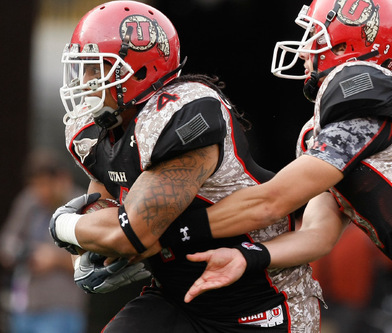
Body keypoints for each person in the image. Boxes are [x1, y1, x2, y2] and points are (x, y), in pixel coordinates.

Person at [177, 0, 392, 332]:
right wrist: (249, 256)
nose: (304, 49)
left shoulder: (360, 81)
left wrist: (176, 232)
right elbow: (317, 236)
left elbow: (272, 202)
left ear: (346, 41)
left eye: (313, 34)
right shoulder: (325, 133)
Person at [48, 1, 333, 332]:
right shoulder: (96, 129)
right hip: (177, 296)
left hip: (257, 300)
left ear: (139, 70)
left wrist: (61, 226)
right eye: (84, 68)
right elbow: (101, 211)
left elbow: (129, 233)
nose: (86, 81)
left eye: (97, 69)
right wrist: (85, 253)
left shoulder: (183, 115)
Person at [0, 149, 88, 333]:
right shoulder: (29, 202)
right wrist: (20, 252)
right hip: (25, 307)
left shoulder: (82, 206)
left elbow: (96, 260)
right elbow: (7, 241)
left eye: (46, 185)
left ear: (62, 178)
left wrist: (55, 259)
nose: (42, 192)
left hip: (62, 309)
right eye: (36, 186)